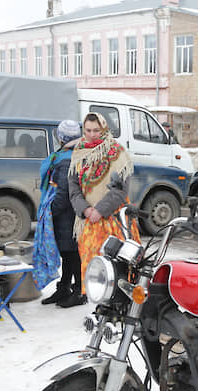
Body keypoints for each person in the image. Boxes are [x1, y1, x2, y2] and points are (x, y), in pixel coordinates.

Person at [69, 112, 140, 300]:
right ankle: (100, 306)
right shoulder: (78, 153)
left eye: (96, 130)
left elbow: (121, 189)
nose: (92, 134)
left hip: (115, 221)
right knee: (95, 269)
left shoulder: (117, 153)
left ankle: (123, 305)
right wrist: (85, 208)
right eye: (88, 130)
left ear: (104, 129)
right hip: (88, 221)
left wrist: (100, 210)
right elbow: (73, 188)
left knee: (120, 267)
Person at [36, 119, 84, 308]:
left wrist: (50, 212)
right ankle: (64, 288)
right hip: (70, 213)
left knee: (73, 254)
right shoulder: (69, 155)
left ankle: (79, 292)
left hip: (68, 215)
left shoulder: (66, 160)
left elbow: (63, 193)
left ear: (61, 137)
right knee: (68, 253)